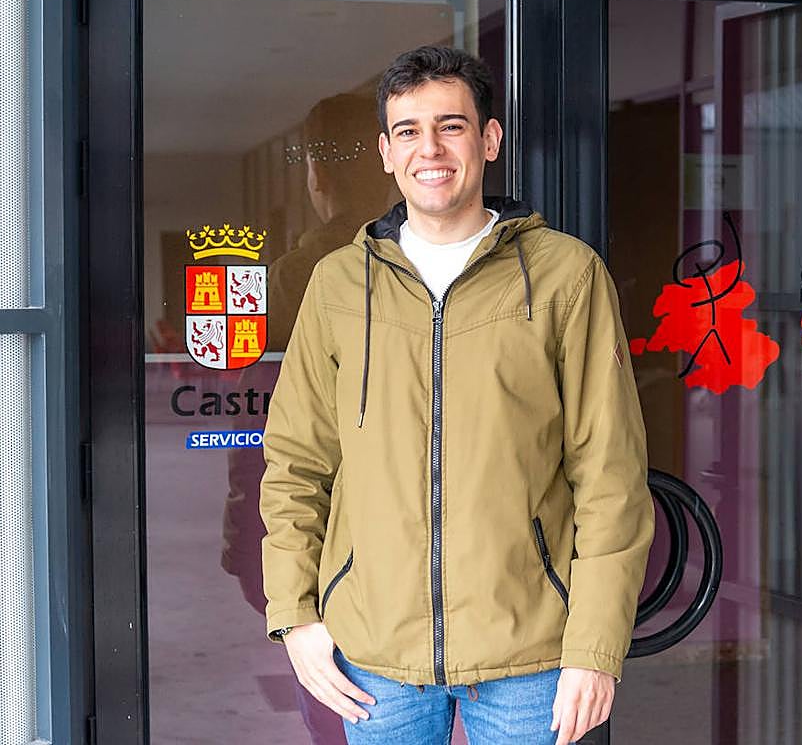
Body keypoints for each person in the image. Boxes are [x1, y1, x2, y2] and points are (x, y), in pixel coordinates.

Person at [259, 45, 655, 745]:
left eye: (451, 125)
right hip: (375, 655)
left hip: (531, 653)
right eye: (409, 131)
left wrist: (595, 648)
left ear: (489, 138)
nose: (430, 149)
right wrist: (295, 614)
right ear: (385, 152)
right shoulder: (339, 282)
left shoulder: (565, 275)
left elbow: (610, 477)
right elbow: (297, 463)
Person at [222, 92, 393, 744]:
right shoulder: (431, 263)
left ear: (316, 179)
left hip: (322, 535)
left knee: (334, 697)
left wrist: (245, 545)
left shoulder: (291, 278)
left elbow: (263, 432)